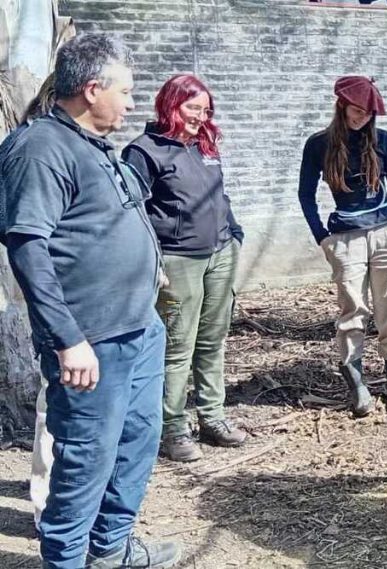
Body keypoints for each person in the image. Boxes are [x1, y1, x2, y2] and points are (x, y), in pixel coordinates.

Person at [0, 34, 181, 568]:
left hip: (138, 328)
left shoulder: (93, 144)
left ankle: (111, 548)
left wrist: (148, 267)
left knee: (136, 442)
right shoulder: (39, 149)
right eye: (125, 91)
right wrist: (68, 339)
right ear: (93, 89)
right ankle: (66, 560)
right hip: (91, 342)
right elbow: (28, 248)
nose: (132, 103)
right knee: (86, 460)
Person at [123, 74, 246, 463]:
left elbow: (219, 196)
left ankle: (212, 417)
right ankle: (172, 428)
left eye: (206, 110)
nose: (200, 117)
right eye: (193, 108)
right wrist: (152, 260)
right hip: (178, 261)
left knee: (212, 341)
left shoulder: (204, 145)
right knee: (177, 348)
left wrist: (234, 233)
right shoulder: (143, 152)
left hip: (220, 255)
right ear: (170, 104)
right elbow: (132, 214)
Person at [298, 76, 387, 417]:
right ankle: (358, 387)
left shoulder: (383, 141)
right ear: (342, 105)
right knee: (352, 313)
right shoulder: (319, 144)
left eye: (369, 113)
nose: (362, 117)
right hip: (346, 238)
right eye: (357, 110)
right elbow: (305, 194)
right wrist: (322, 236)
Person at [0, 72, 56, 531]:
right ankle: (47, 505)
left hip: (72, 298)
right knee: (53, 404)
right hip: (55, 298)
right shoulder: (31, 150)